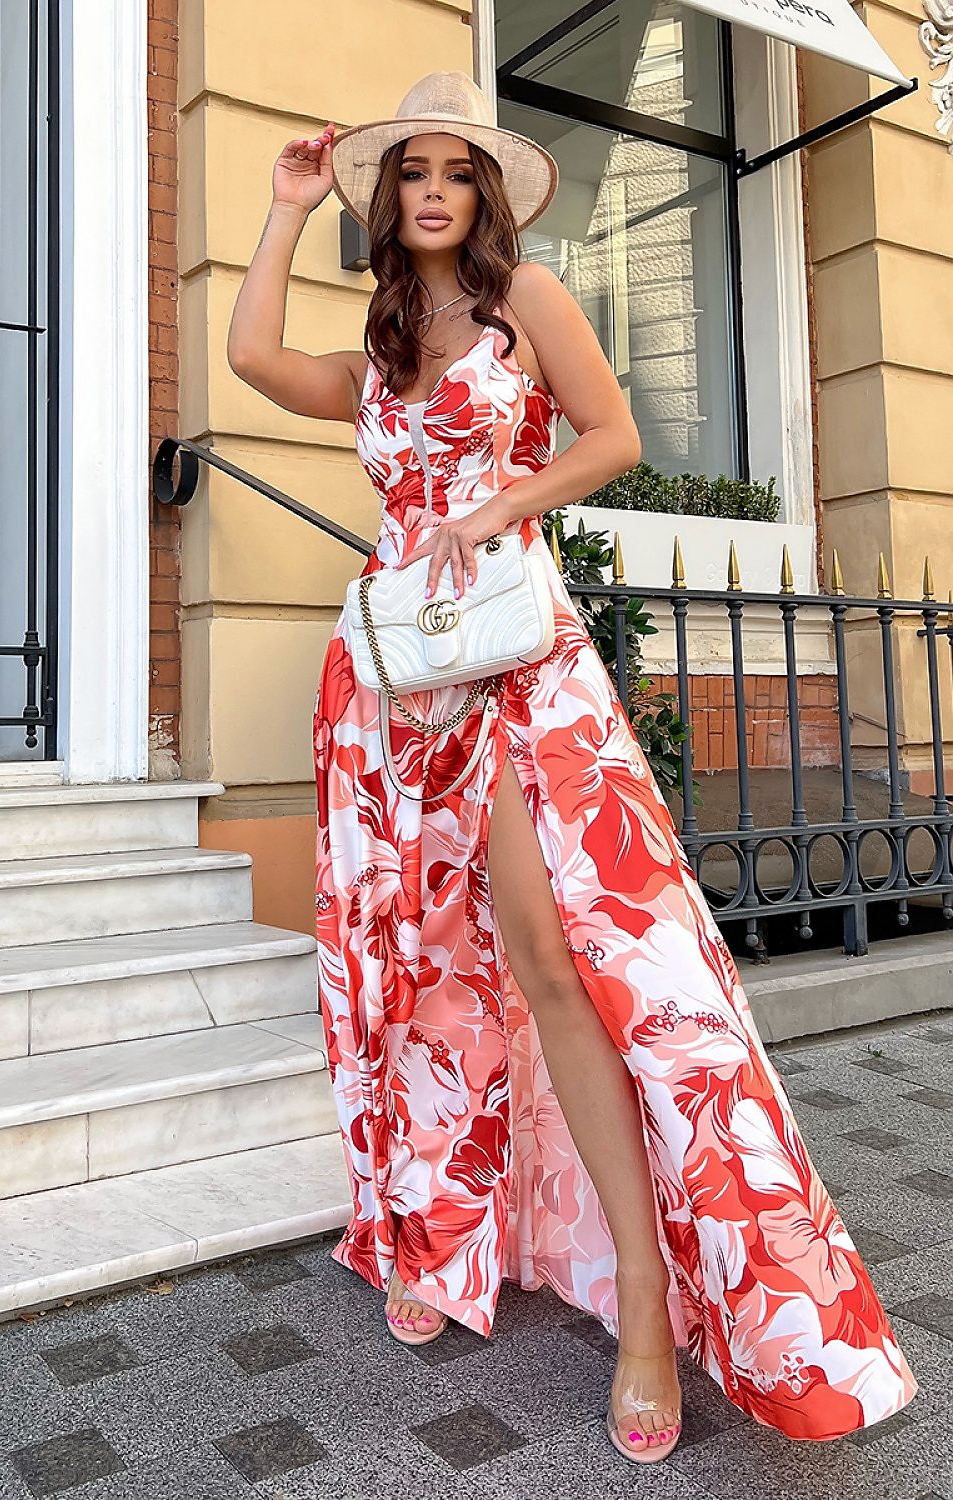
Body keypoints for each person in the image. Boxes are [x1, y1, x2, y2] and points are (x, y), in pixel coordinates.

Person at [226, 69, 918, 1465]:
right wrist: (286, 209)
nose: (432, 191)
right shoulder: (378, 339)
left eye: (455, 171)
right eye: (410, 171)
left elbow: (615, 439)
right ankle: (438, 1225)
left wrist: (497, 501)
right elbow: (250, 363)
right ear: (387, 196)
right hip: (391, 685)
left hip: (520, 664)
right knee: (422, 957)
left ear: (484, 194)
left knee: (556, 956)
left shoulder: (523, 303)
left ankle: (652, 1309)